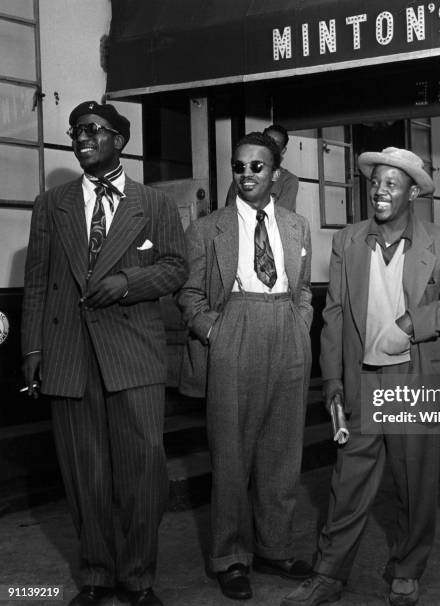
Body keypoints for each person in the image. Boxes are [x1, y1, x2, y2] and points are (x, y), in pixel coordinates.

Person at [21, 101, 188, 606]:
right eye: (76, 131)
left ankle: (138, 578)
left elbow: (177, 268)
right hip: (69, 353)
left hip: (132, 354)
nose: (81, 138)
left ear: (120, 139)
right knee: (83, 470)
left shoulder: (154, 204)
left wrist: (126, 283)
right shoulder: (52, 205)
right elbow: (35, 283)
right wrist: (32, 349)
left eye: (93, 130)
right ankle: (95, 573)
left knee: (142, 471)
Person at [282, 147, 440, 606]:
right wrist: (332, 381)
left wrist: (409, 323)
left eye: (392, 184)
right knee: (347, 482)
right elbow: (336, 314)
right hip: (360, 380)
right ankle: (328, 573)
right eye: (376, 182)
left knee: (414, 482)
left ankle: (407, 569)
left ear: (413, 192)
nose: (380, 191)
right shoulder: (348, 241)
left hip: (413, 378)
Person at [177, 131, 313, 601]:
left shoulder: (297, 225)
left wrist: (301, 321)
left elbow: (305, 288)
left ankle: (275, 547)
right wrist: (215, 332)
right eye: (240, 166)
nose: (247, 174)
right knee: (231, 457)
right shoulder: (206, 229)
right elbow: (190, 294)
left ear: (275, 174)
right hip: (234, 328)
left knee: (282, 453)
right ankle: (230, 557)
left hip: (287, 331)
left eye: (258, 166)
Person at [225, 124, 299, 211]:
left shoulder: (289, 180)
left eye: (276, 144)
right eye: (265, 142)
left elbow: (281, 216)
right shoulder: (243, 175)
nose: (270, 147)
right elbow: (230, 212)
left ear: (283, 151)